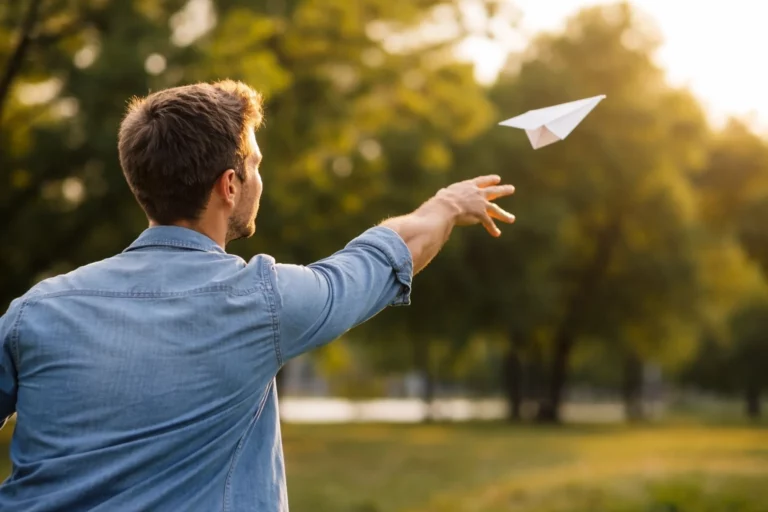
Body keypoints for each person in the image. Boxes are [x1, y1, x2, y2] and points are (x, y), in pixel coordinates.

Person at [0, 80, 515, 511]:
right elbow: (386, 255)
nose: (260, 181)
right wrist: (448, 203)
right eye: (257, 164)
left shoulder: (34, 313)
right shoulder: (262, 303)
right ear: (230, 185)